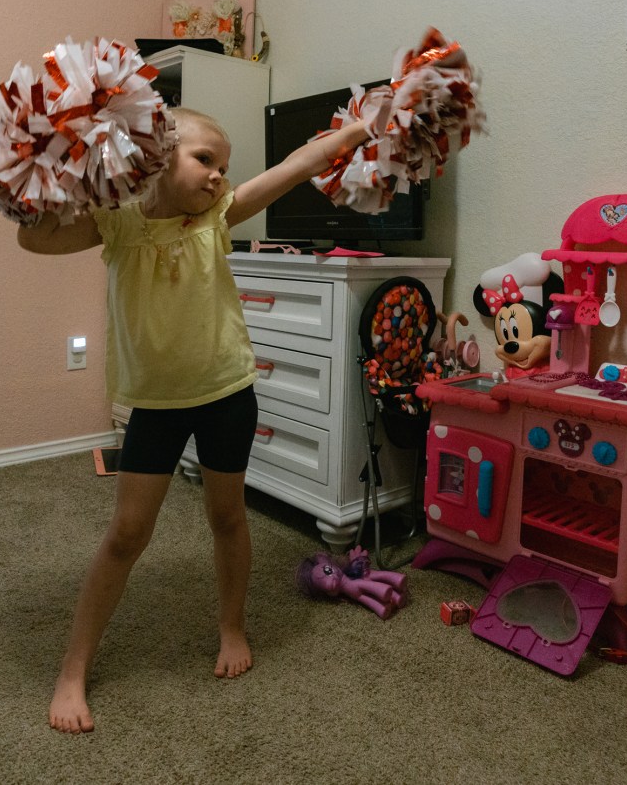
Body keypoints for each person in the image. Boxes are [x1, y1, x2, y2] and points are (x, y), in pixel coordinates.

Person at [18, 106, 369, 734]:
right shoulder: (117, 221)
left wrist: (365, 126)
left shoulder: (218, 214)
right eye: (205, 159)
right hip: (156, 403)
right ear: (154, 153)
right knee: (126, 534)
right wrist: (53, 177)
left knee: (226, 516)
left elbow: (299, 164)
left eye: (223, 166)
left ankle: (231, 626)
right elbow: (33, 237)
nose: (217, 176)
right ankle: (73, 670)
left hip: (226, 391)